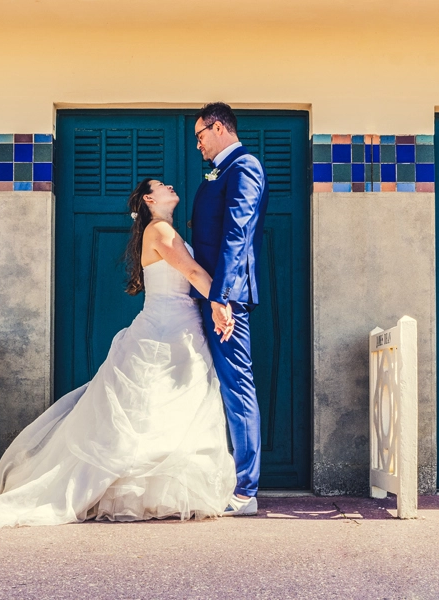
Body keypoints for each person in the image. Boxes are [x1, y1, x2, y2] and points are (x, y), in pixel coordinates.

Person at [0, 179, 236, 527]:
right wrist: (220, 303)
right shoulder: (159, 229)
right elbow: (190, 271)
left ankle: (155, 494)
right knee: (155, 405)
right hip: (167, 327)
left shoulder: (165, 230)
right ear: (149, 199)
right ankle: (139, 492)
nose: (172, 185)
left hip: (178, 325)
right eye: (162, 185)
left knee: (159, 407)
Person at [190, 102, 268, 516]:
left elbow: (237, 233)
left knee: (237, 387)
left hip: (228, 297)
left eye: (200, 135)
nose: (198, 145)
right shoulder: (221, 169)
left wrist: (220, 296)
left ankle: (245, 490)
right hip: (213, 294)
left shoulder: (244, 166)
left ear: (218, 127)